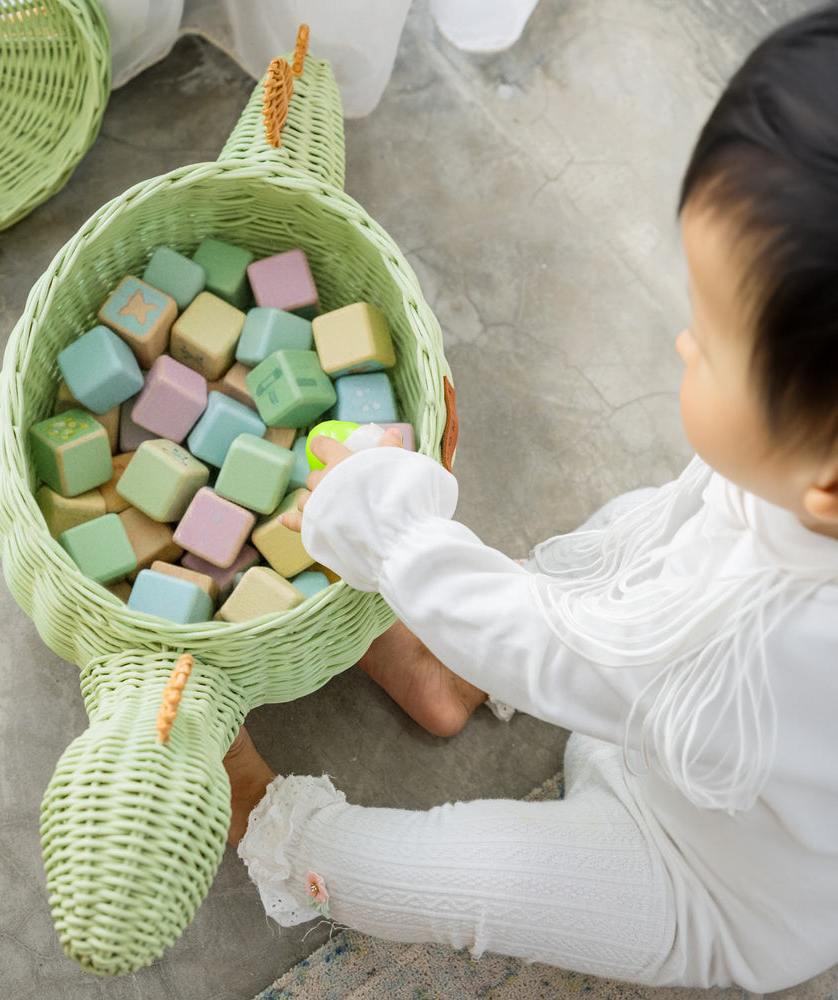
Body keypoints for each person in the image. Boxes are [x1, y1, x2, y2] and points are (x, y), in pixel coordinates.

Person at [224, 5, 838, 991]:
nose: (682, 343)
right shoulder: (805, 474)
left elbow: (566, 654)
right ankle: (444, 665)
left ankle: (265, 815)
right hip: (668, 683)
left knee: (462, 878)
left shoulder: (781, 652)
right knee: (623, 542)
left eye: (709, 345)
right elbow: (633, 582)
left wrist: (393, 528)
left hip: (705, 878)